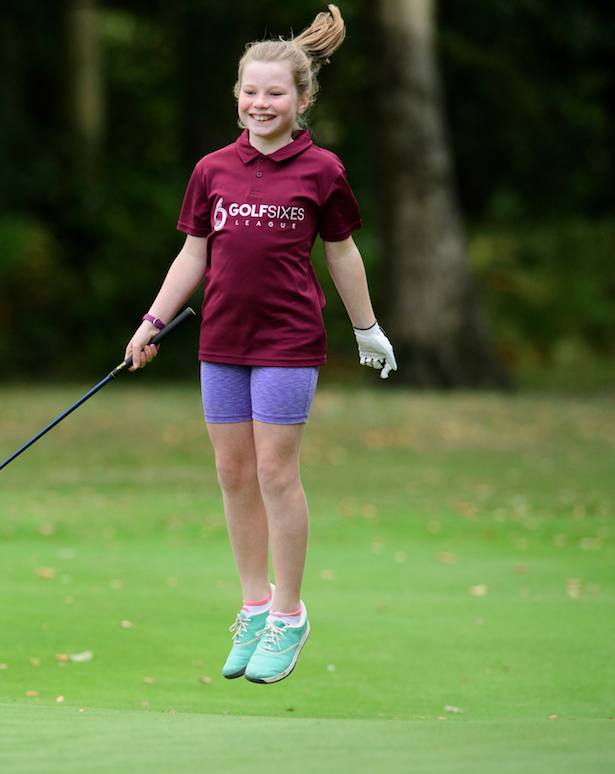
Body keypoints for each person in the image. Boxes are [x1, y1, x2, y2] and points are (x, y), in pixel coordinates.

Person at [125, 4, 397, 684]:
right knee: (232, 472)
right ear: (237, 96)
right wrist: (152, 322)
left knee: (276, 471)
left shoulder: (321, 171)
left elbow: (341, 255)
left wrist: (365, 327)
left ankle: (287, 612)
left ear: (301, 100)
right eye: (249, 90)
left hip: (287, 339)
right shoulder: (211, 169)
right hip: (219, 339)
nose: (259, 103)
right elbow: (192, 256)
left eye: (274, 92)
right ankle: (251, 603)